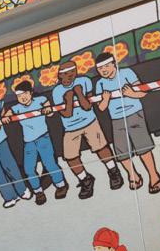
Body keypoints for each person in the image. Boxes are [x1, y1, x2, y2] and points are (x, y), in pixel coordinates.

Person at [51, 61, 123, 198]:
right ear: (59, 76)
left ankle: (114, 171)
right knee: (70, 157)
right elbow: (67, 114)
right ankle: (85, 179)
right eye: (64, 74)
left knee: (101, 148)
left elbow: (87, 106)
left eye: (71, 73)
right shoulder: (57, 91)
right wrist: (69, 99)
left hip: (89, 121)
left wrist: (79, 93)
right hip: (70, 127)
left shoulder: (84, 81)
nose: (68, 77)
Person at [95, 52, 160, 193]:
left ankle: (154, 176)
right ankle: (134, 176)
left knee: (143, 148)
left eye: (106, 66)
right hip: (117, 119)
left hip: (134, 114)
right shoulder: (100, 83)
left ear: (114, 64)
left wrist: (131, 94)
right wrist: (105, 99)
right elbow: (101, 108)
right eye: (100, 68)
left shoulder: (126, 73)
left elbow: (142, 92)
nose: (104, 70)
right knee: (122, 153)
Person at [5, 80, 68, 203]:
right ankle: (38, 192)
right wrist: (6, 116)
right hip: (29, 143)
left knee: (50, 164)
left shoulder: (40, 100)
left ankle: (61, 185)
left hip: (43, 138)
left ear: (31, 93)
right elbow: (8, 113)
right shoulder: (17, 108)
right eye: (19, 95)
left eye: (25, 94)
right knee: (29, 169)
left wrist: (47, 109)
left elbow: (49, 109)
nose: (22, 97)